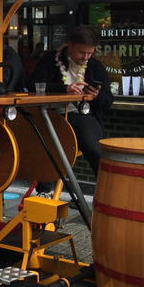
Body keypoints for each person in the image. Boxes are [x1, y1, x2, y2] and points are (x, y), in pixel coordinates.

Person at [27, 25, 113, 177]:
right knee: (44, 147)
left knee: (95, 150)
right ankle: (44, 191)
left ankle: (104, 192)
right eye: (82, 52)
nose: (85, 57)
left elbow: (108, 102)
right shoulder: (50, 60)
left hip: (81, 115)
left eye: (89, 53)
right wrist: (64, 88)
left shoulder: (95, 66)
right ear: (70, 45)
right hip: (49, 113)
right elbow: (32, 85)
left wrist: (97, 95)